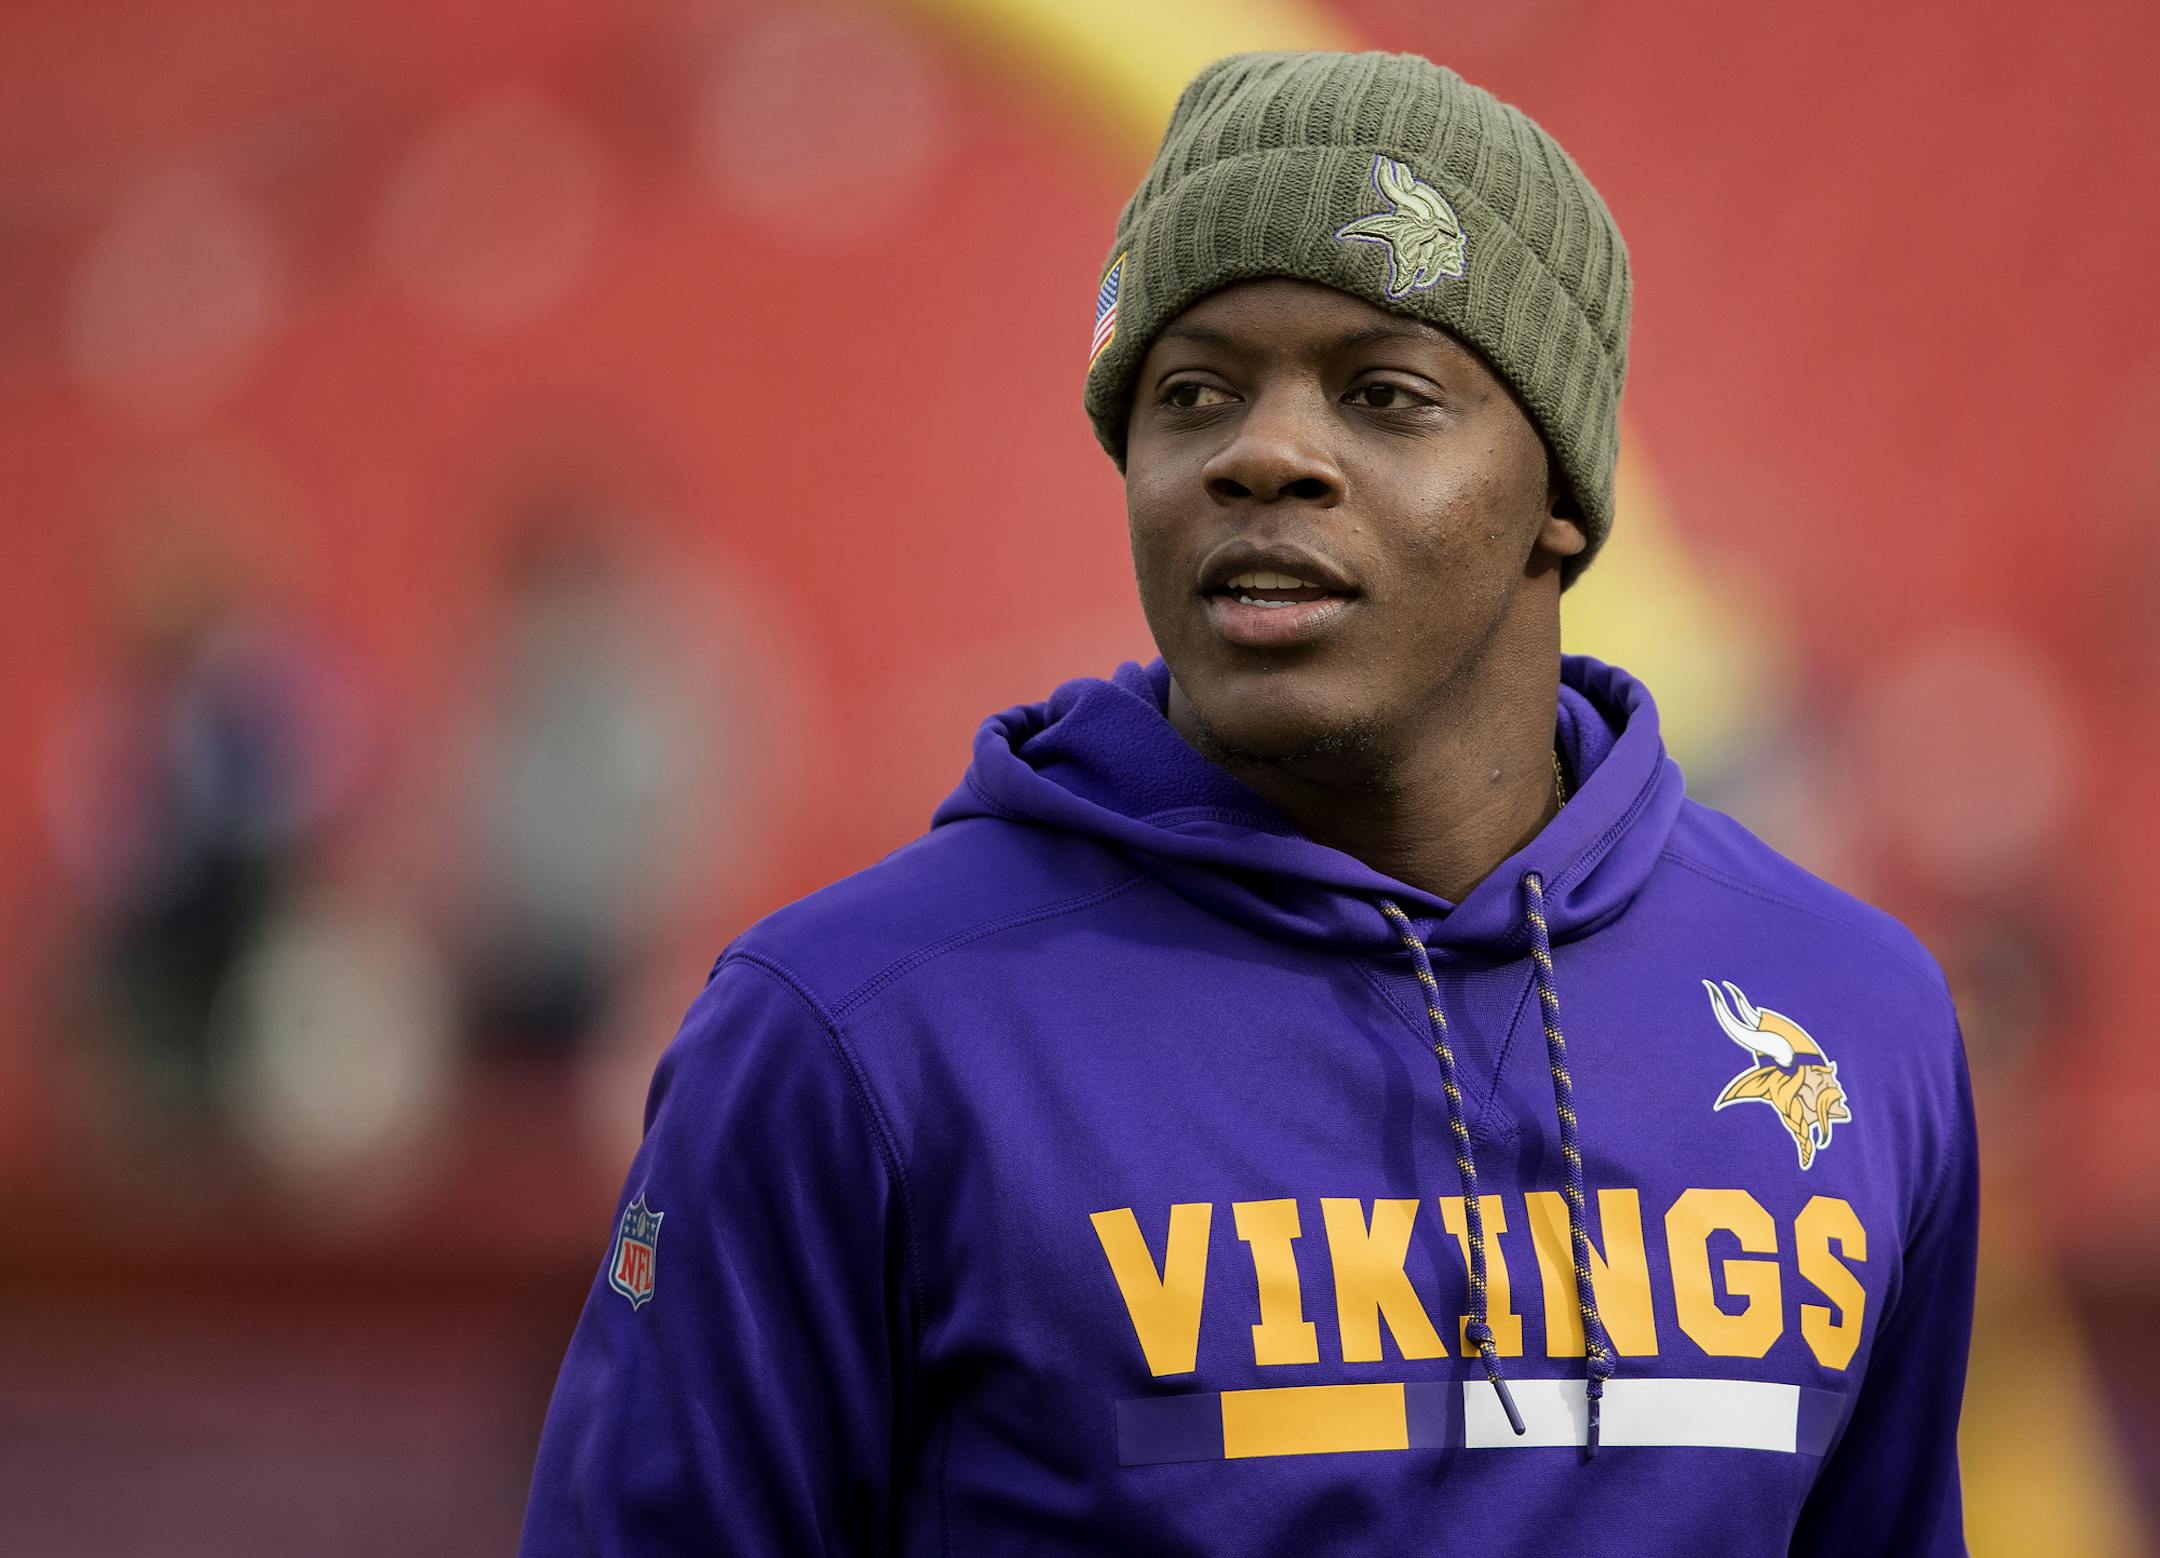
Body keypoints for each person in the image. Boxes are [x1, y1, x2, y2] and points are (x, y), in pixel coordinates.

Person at [519, 50, 1975, 1555]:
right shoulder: (851, 1032)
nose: (1263, 454)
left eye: (1386, 393)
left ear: (1561, 492)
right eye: (1193, 391)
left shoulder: (1855, 1014)